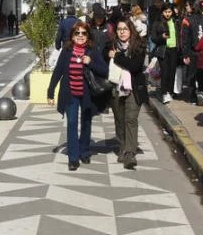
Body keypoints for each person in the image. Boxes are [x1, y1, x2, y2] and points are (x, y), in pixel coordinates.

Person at [47, 21, 109, 171]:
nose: (80, 36)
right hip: (70, 93)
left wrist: (91, 62)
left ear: (88, 35)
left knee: (86, 122)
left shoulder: (92, 50)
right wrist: (50, 91)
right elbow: (58, 71)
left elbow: (105, 71)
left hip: (88, 94)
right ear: (72, 36)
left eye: (84, 33)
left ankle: (84, 151)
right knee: (72, 123)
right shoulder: (66, 51)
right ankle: (73, 158)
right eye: (77, 33)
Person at [107, 18, 149, 169]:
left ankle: (130, 153)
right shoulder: (111, 46)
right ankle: (123, 146)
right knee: (120, 120)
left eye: (125, 29)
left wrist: (117, 57)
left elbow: (134, 66)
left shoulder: (139, 46)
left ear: (131, 30)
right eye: (119, 29)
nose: (122, 32)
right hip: (115, 87)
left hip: (133, 88)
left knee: (130, 119)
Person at [149, 4, 179, 102]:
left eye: (169, 12)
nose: (167, 14)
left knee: (172, 72)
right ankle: (164, 93)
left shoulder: (175, 21)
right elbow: (153, 38)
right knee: (165, 72)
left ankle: (170, 92)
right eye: (165, 12)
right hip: (163, 50)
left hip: (174, 50)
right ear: (162, 12)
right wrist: (161, 37)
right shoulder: (157, 23)